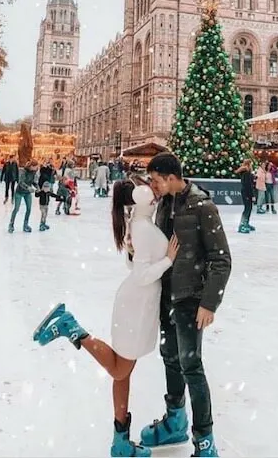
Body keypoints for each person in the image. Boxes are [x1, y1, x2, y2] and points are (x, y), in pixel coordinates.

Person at [33, 179, 180, 457]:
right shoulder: (141, 227)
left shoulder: (137, 223)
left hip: (137, 304)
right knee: (120, 370)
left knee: (123, 373)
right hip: (137, 305)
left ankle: (121, 441)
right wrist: (168, 260)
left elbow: (131, 264)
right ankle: (72, 328)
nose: (154, 194)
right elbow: (140, 274)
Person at [141, 152, 232, 458]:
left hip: (191, 298)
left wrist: (209, 304)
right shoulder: (166, 203)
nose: (153, 186)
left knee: (191, 365)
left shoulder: (202, 206)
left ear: (170, 177)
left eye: (155, 180)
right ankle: (175, 421)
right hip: (166, 294)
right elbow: (161, 245)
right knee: (170, 357)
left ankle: (205, 441)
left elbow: (221, 260)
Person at [8, 160, 38, 233]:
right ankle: (11, 224)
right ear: (31, 166)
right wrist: (28, 188)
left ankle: (25, 225)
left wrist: (38, 188)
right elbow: (21, 182)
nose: (37, 168)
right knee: (16, 209)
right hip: (19, 192)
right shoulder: (24, 171)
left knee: (29, 209)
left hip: (27, 193)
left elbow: (33, 182)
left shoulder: (34, 172)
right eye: (36, 167)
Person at [235, 159, 254, 233]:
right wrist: (252, 195)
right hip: (247, 193)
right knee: (247, 209)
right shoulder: (246, 173)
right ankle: (242, 225)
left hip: (246, 192)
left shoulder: (247, 173)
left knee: (249, 208)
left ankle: (246, 223)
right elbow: (248, 185)